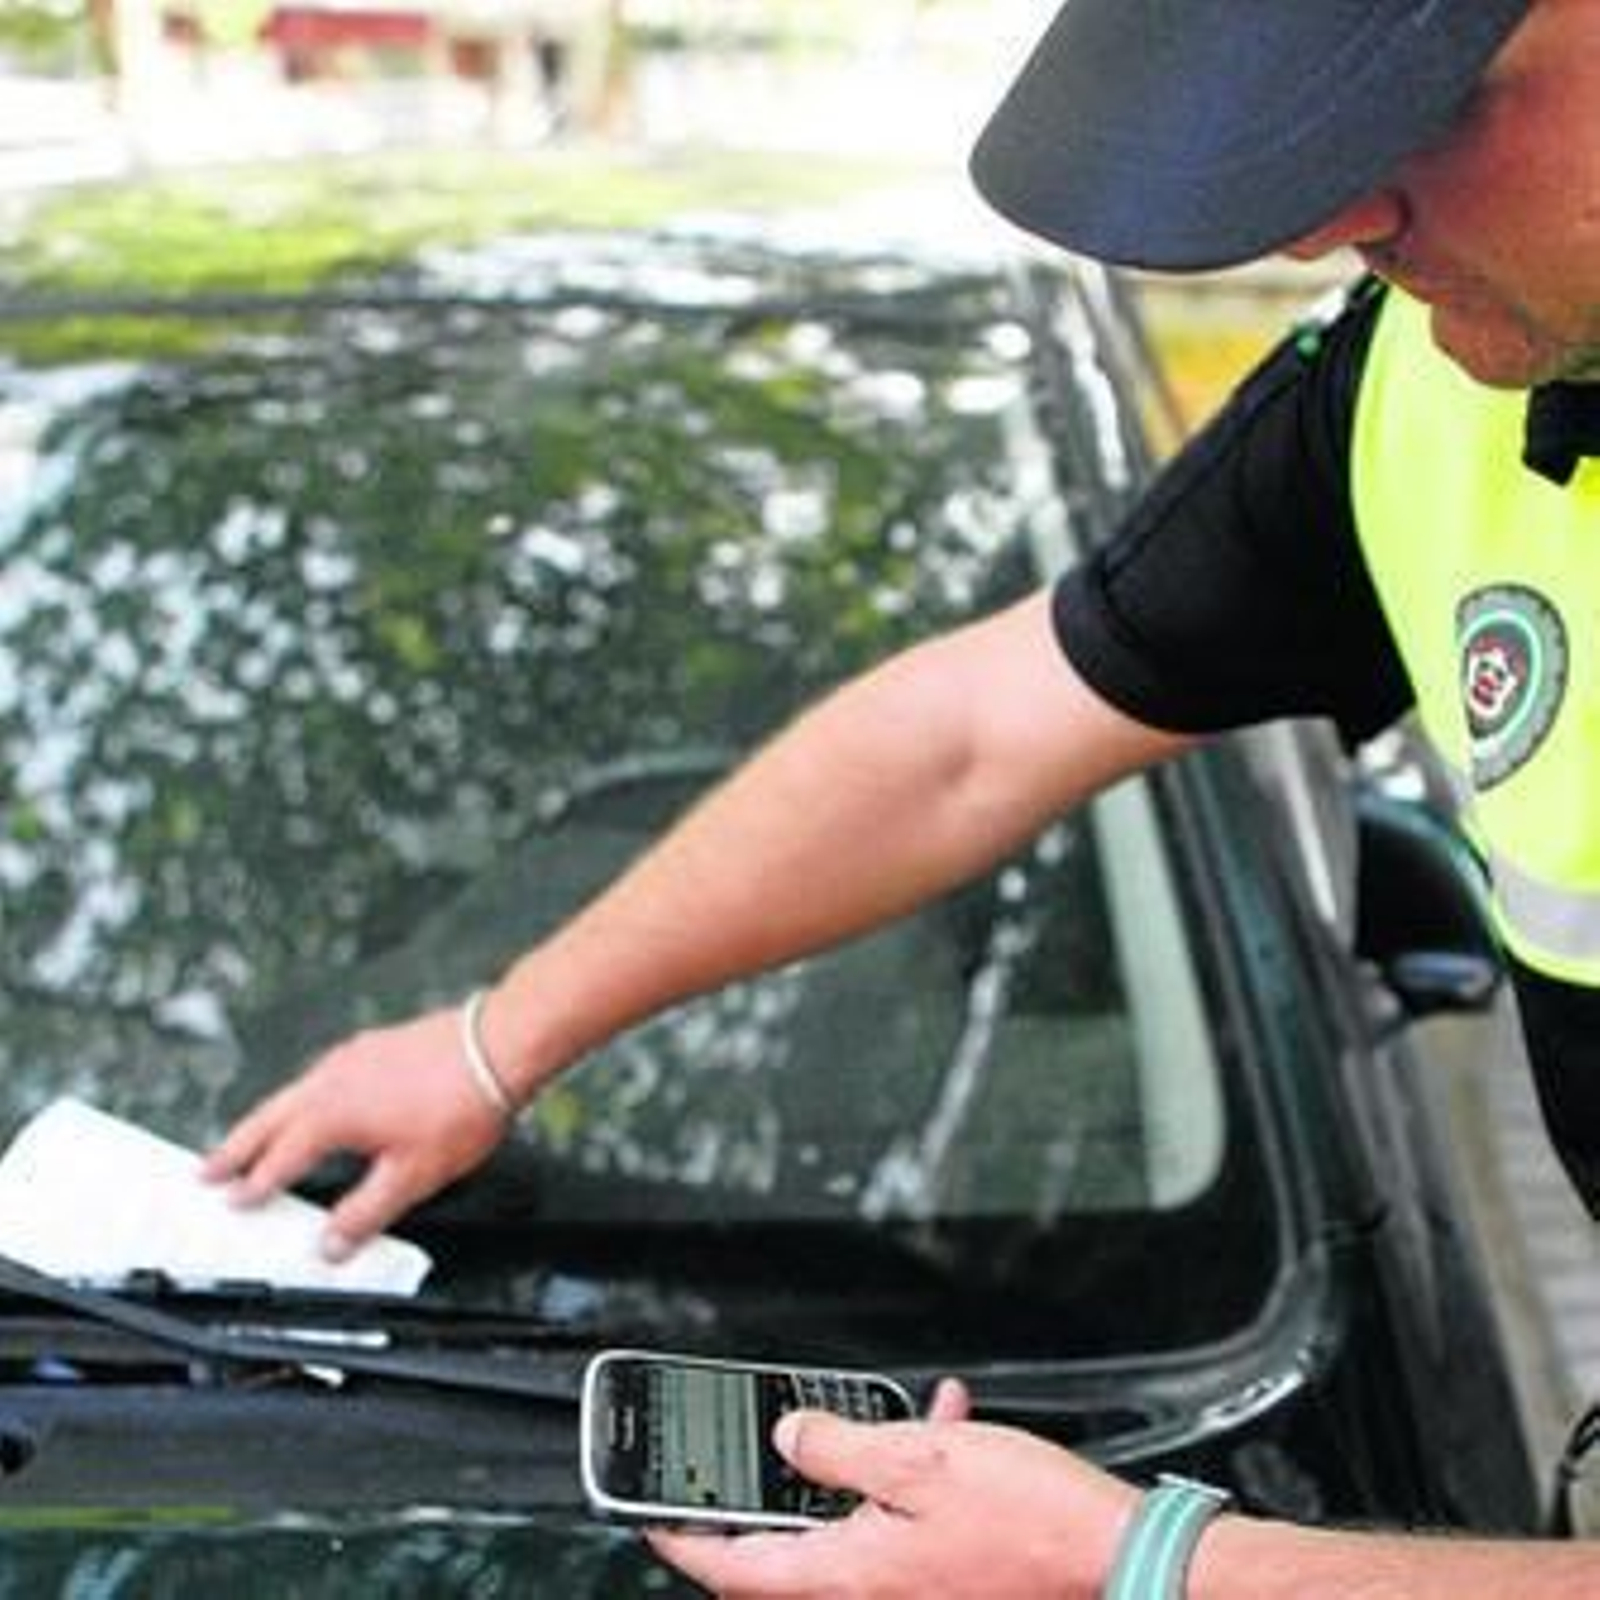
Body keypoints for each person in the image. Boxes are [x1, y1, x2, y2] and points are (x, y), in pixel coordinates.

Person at [204, 0, 1600, 1592]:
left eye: (1444, 102)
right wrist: (497, 1037)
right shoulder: (1435, 397)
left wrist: (1148, 1567)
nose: (1331, 217)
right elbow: (971, 738)